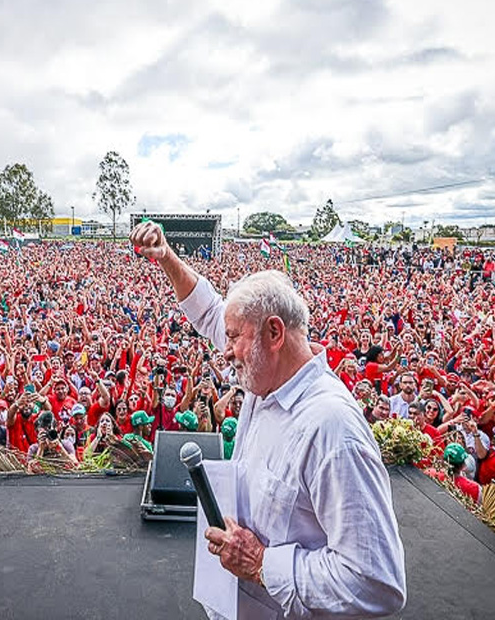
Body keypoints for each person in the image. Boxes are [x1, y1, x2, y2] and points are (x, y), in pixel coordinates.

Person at [130, 220, 406, 618]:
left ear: (274, 333)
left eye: (235, 337)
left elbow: (376, 582)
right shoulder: (269, 378)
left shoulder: (331, 429)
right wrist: (167, 257)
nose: (225, 352)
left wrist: (262, 564)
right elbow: (209, 310)